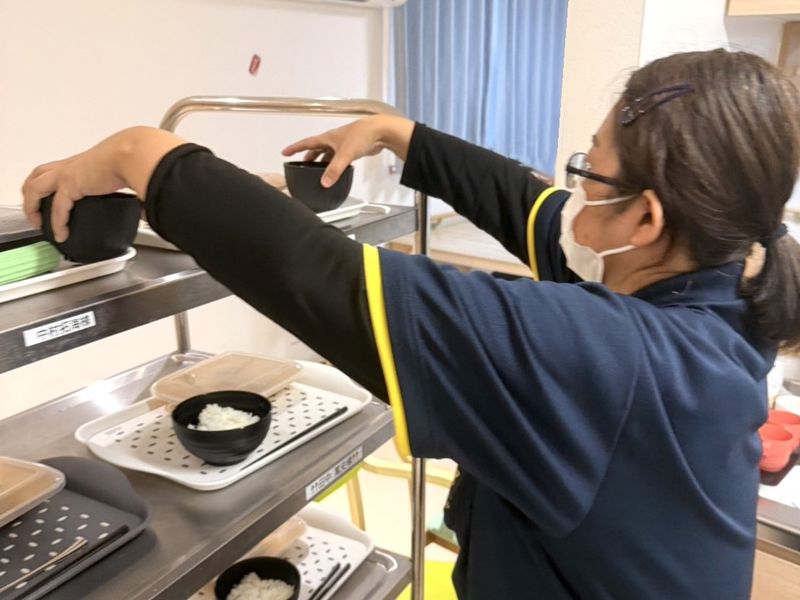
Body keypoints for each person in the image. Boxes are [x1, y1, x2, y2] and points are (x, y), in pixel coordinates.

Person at [21, 49, 800, 599]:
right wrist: (399, 135)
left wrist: (139, 153)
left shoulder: (623, 362)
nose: (570, 195)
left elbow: (321, 276)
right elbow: (529, 206)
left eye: (588, 172)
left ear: (647, 218)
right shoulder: (722, 285)